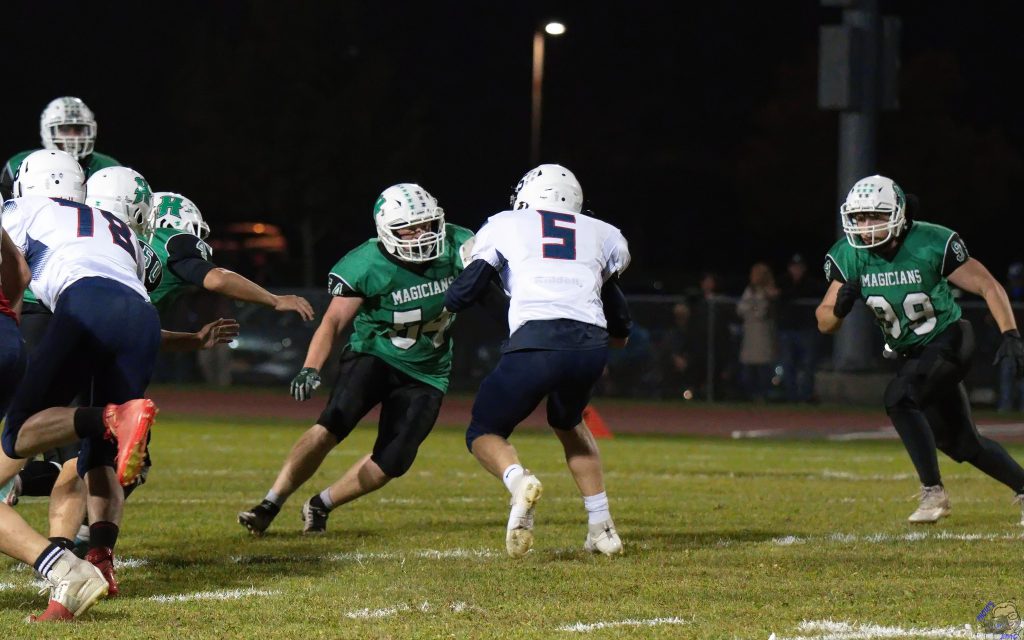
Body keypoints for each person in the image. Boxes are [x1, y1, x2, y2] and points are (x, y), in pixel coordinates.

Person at [238, 183, 476, 535]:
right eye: (410, 227)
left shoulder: (460, 244)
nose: (422, 235)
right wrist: (310, 367)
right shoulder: (367, 263)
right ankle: (269, 503)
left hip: (429, 370)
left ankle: (322, 503)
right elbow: (333, 321)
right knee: (330, 425)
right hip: (375, 353)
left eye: (427, 224)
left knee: (393, 462)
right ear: (386, 231)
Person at [0, 149, 159, 620]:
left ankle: (112, 417)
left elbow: (15, 268)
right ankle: (99, 563)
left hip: (86, 303)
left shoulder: (24, 208)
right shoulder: (120, 227)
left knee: (21, 432)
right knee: (98, 456)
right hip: (143, 318)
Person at [443, 164, 632, 558]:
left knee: (483, 431)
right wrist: (617, 336)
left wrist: (464, 276)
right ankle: (602, 528)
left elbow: (462, 295)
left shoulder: (506, 223)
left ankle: (518, 482)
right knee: (568, 421)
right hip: (589, 345)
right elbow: (616, 306)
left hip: (537, 340)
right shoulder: (601, 232)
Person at [816, 175, 1024, 524]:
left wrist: (1011, 335)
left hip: (950, 338)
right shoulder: (850, 256)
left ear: (897, 213)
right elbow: (823, 321)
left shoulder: (930, 241)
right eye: (860, 217)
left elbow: (988, 285)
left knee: (899, 397)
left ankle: (933, 492)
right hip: (915, 355)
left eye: (875, 216)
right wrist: (838, 308)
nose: (866, 226)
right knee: (963, 445)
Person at [0, 96, 120, 200]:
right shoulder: (22, 164)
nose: (73, 136)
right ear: (47, 132)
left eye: (79, 129)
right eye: (65, 129)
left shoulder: (110, 168)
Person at [776, 254, 823, 402]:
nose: (796, 270)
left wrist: (788, 294)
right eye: (794, 267)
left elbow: (808, 292)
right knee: (788, 363)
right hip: (787, 329)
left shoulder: (810, 282)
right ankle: (791, 396)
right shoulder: (783, 281)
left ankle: (806, 395)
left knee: (808, 364)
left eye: (799, 267)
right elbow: (780, 295)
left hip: (806, 329)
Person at [736, 262, 779, 402]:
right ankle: (749, 396)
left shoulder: (769, 292)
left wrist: (752, 309)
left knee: (763, 368)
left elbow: (762, 312)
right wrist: (752, 308)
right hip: (749, 333)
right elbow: (741, 309)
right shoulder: (749, 290)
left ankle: (762, 396)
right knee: (748, 369)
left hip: (763, 333)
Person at [997, 261, 1024, 412]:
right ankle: (1004, 408)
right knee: (1007, 377)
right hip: (1009, 341)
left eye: (1019, 278)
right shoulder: (1005, 292)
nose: (1016, 281)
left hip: (1022, 341)